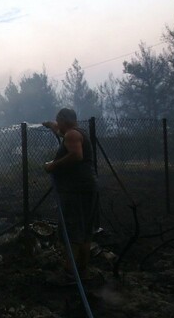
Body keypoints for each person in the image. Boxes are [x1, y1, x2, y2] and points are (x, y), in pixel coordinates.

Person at [42, 108, 98, 280]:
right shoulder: (75, 133)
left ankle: (69, 273)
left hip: (76, 191)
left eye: (58, 121)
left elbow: (76, 155)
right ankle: (82, 270)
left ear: (65, 120)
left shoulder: (72, 135)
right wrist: (51, 125)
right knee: (84, 229)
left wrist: (53, 165)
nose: (57, 124)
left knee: (72, 229)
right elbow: (63, 135)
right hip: (85, 188)